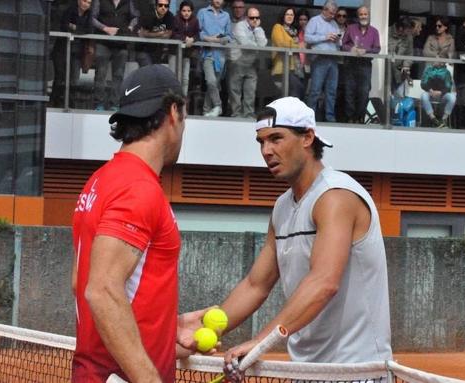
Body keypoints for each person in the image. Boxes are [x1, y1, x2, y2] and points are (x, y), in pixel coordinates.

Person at [179, 97, 392, 374]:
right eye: (261, 142)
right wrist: (205, 327)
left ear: (307, 138)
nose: (266, 150)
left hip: (356, 371)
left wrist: (260, 342)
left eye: (276, 138)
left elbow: (324, 282)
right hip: (305, 370)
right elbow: (256, 285)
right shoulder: (282, 207)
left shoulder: (336, 196)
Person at [71, 64, 205, 382]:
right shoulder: (138, 188)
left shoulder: (101, 180)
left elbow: (82, 280)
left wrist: (165, 329)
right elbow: (102, 290)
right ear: (173, 112)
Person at [92, 0, 140, 111]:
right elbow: (92, 18)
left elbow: (135, 17)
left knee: (118, 75)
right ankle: (98, 103)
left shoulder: (128, 2)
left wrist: (129, 28)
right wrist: (105, 28)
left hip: (121, 42)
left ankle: (115, 103)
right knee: (100, 73)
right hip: (103, 40)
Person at [341, 6, 381, 123]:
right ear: (358, 16)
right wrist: (351, 49)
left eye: (365, 14)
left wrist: (366, 51)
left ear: (368, 16)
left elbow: (377, 49)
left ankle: (359, 118)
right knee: (349, 91)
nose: (363, 16)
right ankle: (349, 117)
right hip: (351, 64)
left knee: (364, 92)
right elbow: (343, 45)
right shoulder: (351, 28)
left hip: (365, 65)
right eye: (361, 14)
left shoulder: (374, 31)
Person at [50, 0, 93, 108]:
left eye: (88, 3)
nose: (85, 4)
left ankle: (71, 104)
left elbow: (89, 30)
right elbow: (64, 26)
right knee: (60, 77)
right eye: (84, 1)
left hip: (77, 51)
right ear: (79, 1)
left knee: (73, 80)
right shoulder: (70, 10)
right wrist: (79, 29)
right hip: (61, 49)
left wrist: (74, 27)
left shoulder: (89, 14)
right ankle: (56, 102)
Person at [304, 1, 341, 122]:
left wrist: (337, 40)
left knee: (332, 91)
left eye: (334, 14)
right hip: (319, 58)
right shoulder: (314, 21)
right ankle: (310, 117)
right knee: (315, 90)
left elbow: (339, 42)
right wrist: (325, 37)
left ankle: (330, 117)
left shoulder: (334, 23)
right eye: (331, 13)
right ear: (324, 10)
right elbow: (307, 38)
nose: (332, 16)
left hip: (333, 59)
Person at [227, 7, 268, 118]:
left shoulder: (258, 29)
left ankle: (248, 115)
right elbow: (245, 43)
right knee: (235, 91)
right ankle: (236, 114)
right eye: (252, 17)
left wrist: (257, 29)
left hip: (252, 64)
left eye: (257, 18)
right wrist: (256, 45)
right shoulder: (240, 26)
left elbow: (263, 44)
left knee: (250, 91)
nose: (254, 20)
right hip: (237, 62)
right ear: (246, 17)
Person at [197, 0, 232, 117]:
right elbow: (198, 33)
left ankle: (206, 111)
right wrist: (212, 39)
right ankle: (218, 105)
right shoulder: (202, 12)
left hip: (221, 56)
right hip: (207, 53)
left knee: (214, 86)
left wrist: (220, 39)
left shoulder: (226, 15)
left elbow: (229, 36)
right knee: (210, 81)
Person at [271, 7, 305, 99]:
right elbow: (281, 44)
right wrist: (298, 46)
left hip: (294, 69)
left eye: (292, 15)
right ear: (283, 15)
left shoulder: (294, 31)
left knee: (294, 95)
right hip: (281, 68)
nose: (290, 17)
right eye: (287, 14)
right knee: (283, 97)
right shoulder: (278, 27)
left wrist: (297, 45)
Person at [170, 0, 200, 96]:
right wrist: (185, 38)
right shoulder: (175, 19)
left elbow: (198, 34)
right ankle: (172, 98)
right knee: (173, 76)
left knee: (185, 78)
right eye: (184, 10)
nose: (186, 13)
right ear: (180, 11)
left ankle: (183, 99)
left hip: (187, 53)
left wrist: (192, 39)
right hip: (174, 52)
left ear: (192, 11)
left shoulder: (195, 20)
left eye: (188, 11)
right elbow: (173, 34)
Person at [419, 54, 456, 128]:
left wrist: (441, 92)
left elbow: (448, 87)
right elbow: (423, 83)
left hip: (442, 95)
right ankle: (433, 119)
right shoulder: (428, 69)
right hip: (430, 93)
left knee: (452, 97)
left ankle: (443, 120)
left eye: (436, 59)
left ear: (442, 63)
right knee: (423, 96)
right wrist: (430, 90)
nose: (434, 60)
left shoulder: (446, 72)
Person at [136, 0, 174, 66]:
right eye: (160, 5)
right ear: (156, 6)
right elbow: (143, 34)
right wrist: (159, 34)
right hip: (143, 50)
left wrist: (151, 34)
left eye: (166, 6)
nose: (163, 7)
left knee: (155, 72)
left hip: (158, 51)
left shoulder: (170, 16)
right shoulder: (148, 15)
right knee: (148, 71)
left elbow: (168, 34)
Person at [388, 16, 417, 90]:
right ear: (401, 28)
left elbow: (409, 54)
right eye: (408, 31)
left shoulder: (409, 37)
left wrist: (406, 66)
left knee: (398, 95)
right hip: (386, 70)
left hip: (399, 73)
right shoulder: (387, 32)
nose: (409, 33)